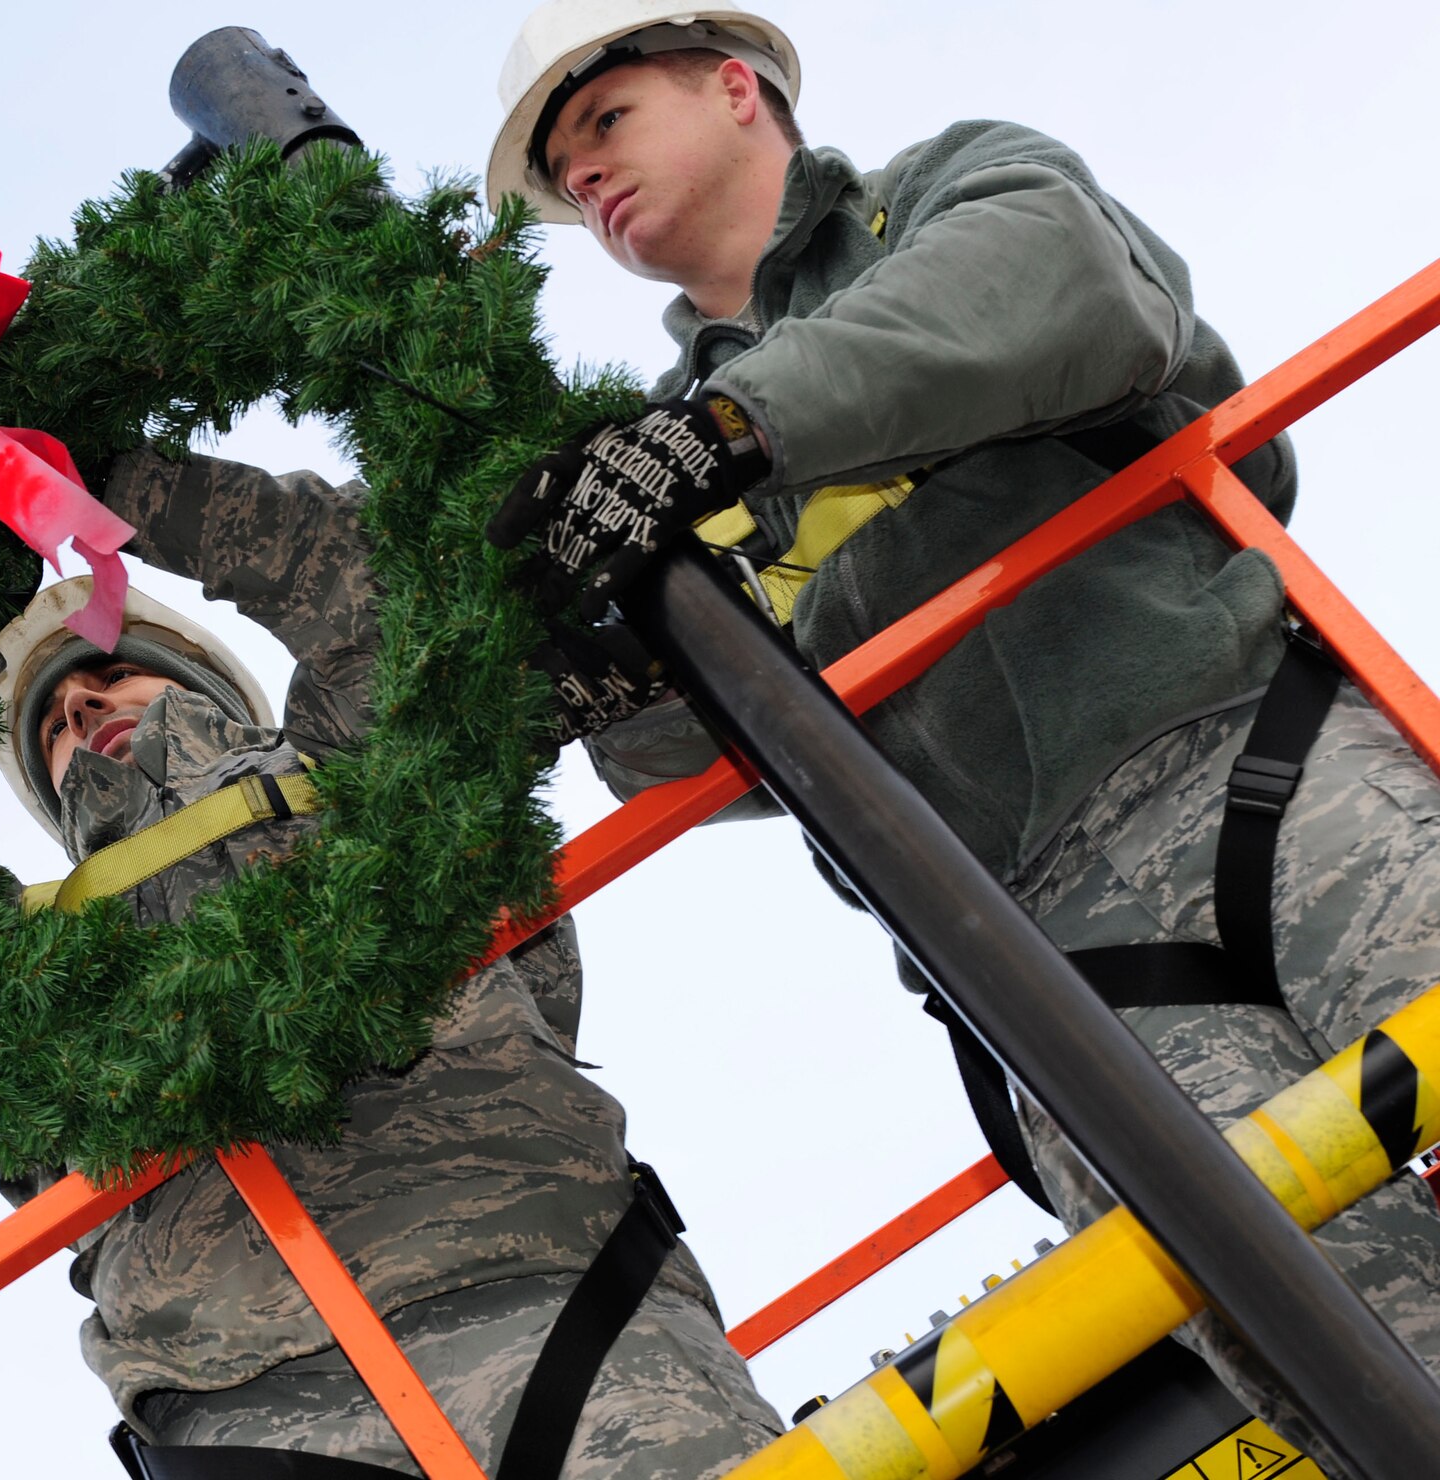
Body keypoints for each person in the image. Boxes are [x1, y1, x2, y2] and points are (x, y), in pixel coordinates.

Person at [479, 0, 1440, 1466]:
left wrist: (733, 429)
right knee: (1339, 1350)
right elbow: (701, 770)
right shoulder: (658, 471)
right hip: (1047, 967)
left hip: (1258, 760)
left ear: (735, 86)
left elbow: (1062, 290)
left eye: (602, 121)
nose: (584, 180)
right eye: (560, 174)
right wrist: (601, 661)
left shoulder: (943, 195)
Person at [0, 444, 785, 1478]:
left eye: (108, 671)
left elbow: (357, 576)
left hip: (552, 1295)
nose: (84, 707)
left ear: (205, 687)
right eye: (52, 718)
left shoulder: (355, 770)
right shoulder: (12, 960)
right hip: (243, 1409)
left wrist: (75, 476)